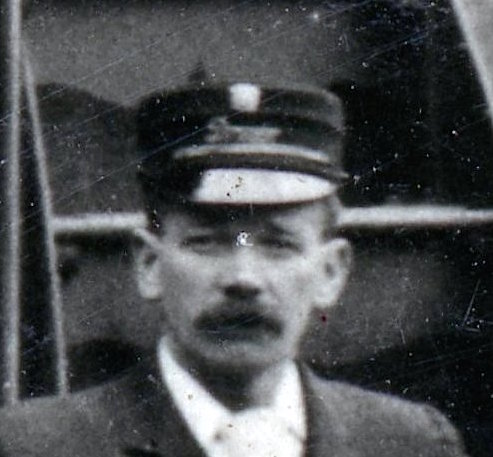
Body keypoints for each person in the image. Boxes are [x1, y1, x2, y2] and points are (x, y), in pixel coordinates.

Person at [0, 82, 468, 457]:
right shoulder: (36, 446)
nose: (243, 277)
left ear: (331, 271)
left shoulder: (410, 444)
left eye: (278, 244)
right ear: (148, 264)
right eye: (206, 242)